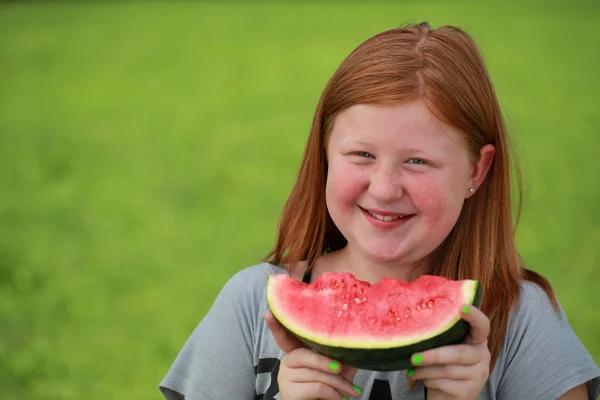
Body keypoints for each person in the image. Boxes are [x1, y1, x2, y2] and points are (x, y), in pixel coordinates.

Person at [158, 22, 600, 400]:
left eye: (418, 161)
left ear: (477, 170)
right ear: (326, 155)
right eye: (362, 155)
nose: (385, 188)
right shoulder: (253, 304)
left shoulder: (523, 319)